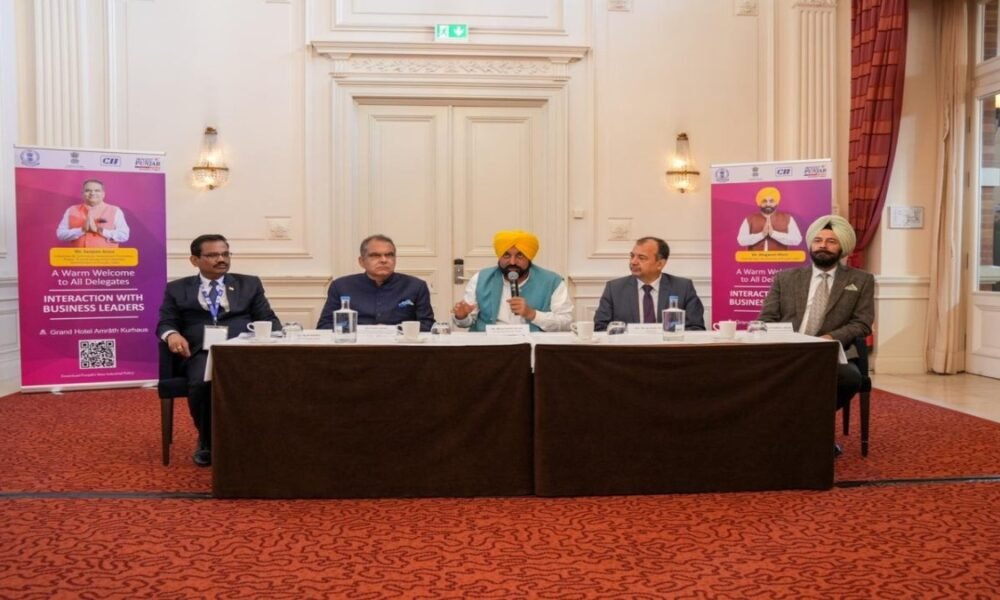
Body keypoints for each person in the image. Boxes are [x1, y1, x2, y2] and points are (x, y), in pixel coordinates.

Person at [156, 234, 281, 467]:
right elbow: (166, 322)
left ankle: (258, 439)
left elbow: (268, 319)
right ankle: (207, 441)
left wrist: (271, 336)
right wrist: (171, 335)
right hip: (201, 352)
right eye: (213, 255)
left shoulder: (249, 284)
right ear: (194, 260)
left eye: (225, 254)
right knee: (201, 383)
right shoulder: (177, 289)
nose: (221, 259)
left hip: (243, 350)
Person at [757, 215, 875, 455]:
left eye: (831, 241)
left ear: (842, 247)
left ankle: (809, 428)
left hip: (833, 351)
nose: (823, 245)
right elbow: (766, 319)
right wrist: (781, 339)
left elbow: (862, 323)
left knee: (850, 378)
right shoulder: (785, 278)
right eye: (818, 240)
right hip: (789, 350)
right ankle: (796, 430)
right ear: (810, 244)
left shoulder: (861, 280)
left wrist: (830, 338)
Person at [453, 229, 572, 332]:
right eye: (506, 255)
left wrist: (532, 314)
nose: (512, 262)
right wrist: (462, 316)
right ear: (499, 257)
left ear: (529, 257)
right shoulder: (481, 279)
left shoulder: (552, 281)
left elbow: (566, 322)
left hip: (532, 345)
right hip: (490, 344)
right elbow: (467, 322)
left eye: (520, 256)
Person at [317, 234, 435, 330]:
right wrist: (365, 331)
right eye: (375, 255)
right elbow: (324, 326)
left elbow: (428, 325)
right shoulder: (341, 286)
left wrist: (394, 330)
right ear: (361, 261)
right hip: (357, 347)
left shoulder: (415, 286)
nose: (384, 260)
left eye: (389, 255)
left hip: (400, 347)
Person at [593, 236, 706, 331]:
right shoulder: (614, 289)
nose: (633, 262)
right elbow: (600, 328)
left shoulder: (683, 287)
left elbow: (696, 328)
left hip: (668, 349)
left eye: (642, 258)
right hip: (629, 349)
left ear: (660, 264)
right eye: (632, 256)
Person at [56, 179, 131, 247]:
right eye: (88, 190)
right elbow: (61, 234)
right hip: (78, 256)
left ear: (103, 194)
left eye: (97, 190)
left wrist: (99, 230)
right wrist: (82, 230)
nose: (92, 193)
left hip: (106, 257)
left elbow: (124, 235)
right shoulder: (71, 210)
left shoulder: (115, 210)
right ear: (83, 193)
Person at [736, 186, 802, 251]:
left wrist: (774, 234)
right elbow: (741, 241)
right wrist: (761, 235)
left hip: (780, 257)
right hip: (755, 257)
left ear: (776, 203)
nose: (768, 204)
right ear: (759, 203)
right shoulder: (749, 219)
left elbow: (797, 240)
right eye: (764, 201)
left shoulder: (788, 218)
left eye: (771, 201)